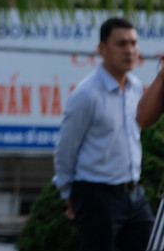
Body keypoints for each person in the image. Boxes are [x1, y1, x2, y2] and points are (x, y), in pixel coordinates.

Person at [53, 17, 153, 251]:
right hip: (96, 195)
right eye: (121, 44)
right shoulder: (86, 95)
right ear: (102, 49)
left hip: (134, 193)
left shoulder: (136, 87)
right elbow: (66, 148)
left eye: (133, 43)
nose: (130, 50)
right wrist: (68, 193)